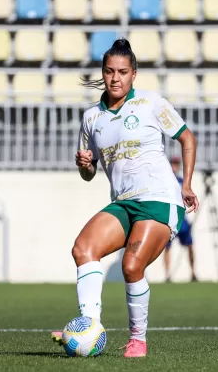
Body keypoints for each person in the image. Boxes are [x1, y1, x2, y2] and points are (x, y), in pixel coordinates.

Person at [50, 38, 199, 358]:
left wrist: (185, 185)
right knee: (83, 249)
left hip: (160, 199)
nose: (115, 78)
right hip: (124, 202)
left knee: (132, 266)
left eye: (122, 72)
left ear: (134, 74)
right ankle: (88, 325)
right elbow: (88, 174)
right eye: (108, 71)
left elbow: (187, 138)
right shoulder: (91, 118)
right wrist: (85, 165)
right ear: (102, 74)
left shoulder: (150, 103)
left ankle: (138, 340)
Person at [163, 156, 197, 283]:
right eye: (173, 163)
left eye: (177, 164)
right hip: (169, 219)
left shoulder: (182, 181)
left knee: (190, 245)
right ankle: (167, 274)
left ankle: (193, 272)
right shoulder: (164, 181)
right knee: (167, 247)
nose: (175, 166)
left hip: (182, 219)